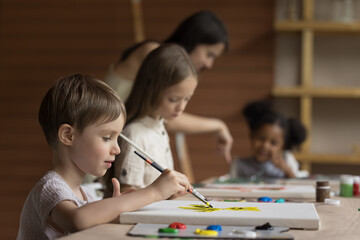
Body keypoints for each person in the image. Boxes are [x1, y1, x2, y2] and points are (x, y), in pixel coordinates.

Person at [17, 74, 191, 240]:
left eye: (117, 138)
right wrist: (155, 191)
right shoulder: (50, 187)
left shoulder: (86, 195)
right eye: (107, 138)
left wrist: (116, 208)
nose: (117, 149)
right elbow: (78, 220)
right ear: (68, 136)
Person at [104, 11, 232, 163]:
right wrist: (218, 125)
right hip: (100, 147)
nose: (209, 64)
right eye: (209, 54)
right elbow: (168, 118)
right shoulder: (153, 54)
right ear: (193, 40)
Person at [103, 44, 198, 195]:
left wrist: (174, 192)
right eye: (174, 99)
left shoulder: (159, 126)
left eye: (187, 99)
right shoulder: (135, 134)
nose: (181, 107)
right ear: (151, 89)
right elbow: (128, 194)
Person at [229, 100, 307, 179]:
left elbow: (297, 185)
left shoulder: (287, 160)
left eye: (273, 143)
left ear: (283, 145)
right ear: (252, 135)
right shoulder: (239, 165)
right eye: (261, 138)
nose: (265, 146)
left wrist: (285, 169)